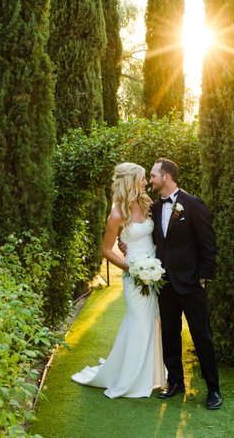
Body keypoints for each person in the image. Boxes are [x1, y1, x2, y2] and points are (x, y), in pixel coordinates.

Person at [120, 158, 222, 410]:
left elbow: (208, 245)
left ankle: (213, 390)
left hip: (191, 284)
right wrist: (125, 245)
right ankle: (175, 383)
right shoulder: (153, 208)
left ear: (166, 177)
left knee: (201, 336)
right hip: (163, 283)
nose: (150, 180)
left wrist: (203, 277)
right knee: (170, 335)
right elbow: (147, 238)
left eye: (153, 175)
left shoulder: (193, 204)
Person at [71, 162, 166, 398]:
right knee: (139, 320)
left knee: (153, 320)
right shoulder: (116, 214)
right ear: (131, 181)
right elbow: (106, 249)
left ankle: (153, 374)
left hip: (155, 271)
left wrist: (152, 269)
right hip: (134, 274)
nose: (145, 182)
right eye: (142, 178)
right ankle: (132, 378)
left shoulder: (147, 204)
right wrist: (132, 268)